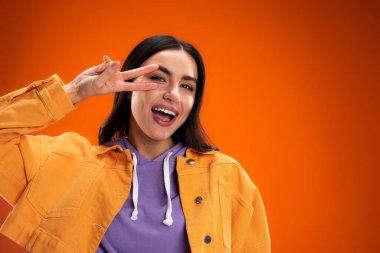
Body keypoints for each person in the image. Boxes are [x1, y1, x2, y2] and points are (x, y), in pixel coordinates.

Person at [0, 35, 271, 253]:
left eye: (187, 86)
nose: (172, 94)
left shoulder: (225, 177)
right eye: (158, 78)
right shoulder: (68, 161)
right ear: (128, 89)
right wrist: (75, 91)